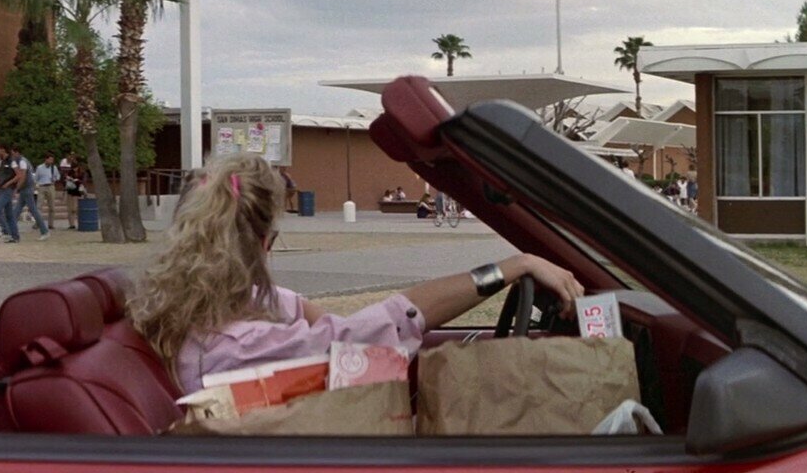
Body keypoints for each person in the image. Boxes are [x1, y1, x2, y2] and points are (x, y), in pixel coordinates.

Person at [127, 153, 585, 394]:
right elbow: (358, 338)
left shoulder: (216, 317)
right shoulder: (234, 350)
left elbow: (329, 321)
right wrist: (510, 267)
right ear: (265, 241)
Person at [5, 146, 50, 241]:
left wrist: (16, 189)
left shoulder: (22, 162)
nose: (12, 155)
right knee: (17, 210)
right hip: (25, 188)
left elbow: (23, 177)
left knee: (32, 210)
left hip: (27, 188)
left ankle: (44, 231)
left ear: (17, 153)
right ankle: (8, 230)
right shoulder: (22, 161)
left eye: (13, 153)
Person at [34, 153, 61, 227]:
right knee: (39, 206)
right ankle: (38, 222)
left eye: (52, 160)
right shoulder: (40, 168)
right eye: (50, 159)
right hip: (42, 186)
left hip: (51, 186)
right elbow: (36, 178)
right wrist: (36, 186)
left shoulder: (53, 168)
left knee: (52, 206)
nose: (51, 161)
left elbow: (58, 176)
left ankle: (51, 224)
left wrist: (55, 179)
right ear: (46, 159)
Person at [64, 157, 84, 230]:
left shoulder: (81, 172)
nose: (74, 169)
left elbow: (83, 180)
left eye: (75, 167)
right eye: (73, 168)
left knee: (75, 208)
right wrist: (69, 179)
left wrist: (77, 180)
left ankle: (79, 222)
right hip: (70, 190)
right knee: (70, 208)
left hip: (77, 191)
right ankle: (71, 224)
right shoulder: (70, 172)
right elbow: (66, 179)